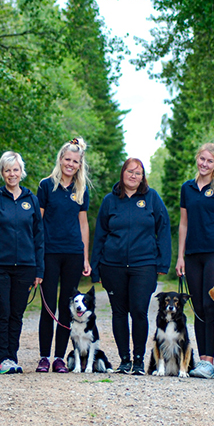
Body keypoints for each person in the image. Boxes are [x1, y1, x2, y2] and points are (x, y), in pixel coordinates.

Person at [91, 158, 172, 375]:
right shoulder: (110, 201)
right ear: (123, 173)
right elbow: (99, 235)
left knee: (138, 311)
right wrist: (95, 266)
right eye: (130, 171)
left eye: (138, 173)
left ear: (143, 177)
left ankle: (138, 361)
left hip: (144, 264)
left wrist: (163, 262)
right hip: (112, 265)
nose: (134, 176)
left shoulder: (152, 198)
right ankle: (124, 360)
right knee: (119, 312)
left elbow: (163, 229)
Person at [0, 151, 45, 374]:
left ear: (21, 172)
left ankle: (11, 358)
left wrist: (39, 269)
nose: (11, 174)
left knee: (17, 313)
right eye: (7, 170)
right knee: (2, 312)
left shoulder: (31, 200)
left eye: (15, 169)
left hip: (25, 266)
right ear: (2, 173)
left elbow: (38, 237)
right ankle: (1, 358)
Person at [174, 142, 214, 379]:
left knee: (211, 306)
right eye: (202, 159)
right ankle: (202, 360)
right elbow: (184, 224)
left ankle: (210, 362)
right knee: (198, 307)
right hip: (192, 255)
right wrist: (180, 256)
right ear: (197, 159)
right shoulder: (187, 188)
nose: (204, 164)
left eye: (210, 161)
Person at [35, 138, 92, 373]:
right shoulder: (46, 186)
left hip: (72, 254)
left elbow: (83, 224)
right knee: (47, 305)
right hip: (49, 252)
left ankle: (58, 357)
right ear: (60, 159)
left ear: (80, 164)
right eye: (67, 159)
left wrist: (85, 257)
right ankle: (43, 358)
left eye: (75, 161)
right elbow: (37, 221)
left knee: (66, 307)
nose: (70, 164)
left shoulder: (82, 189)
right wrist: (35, 254)